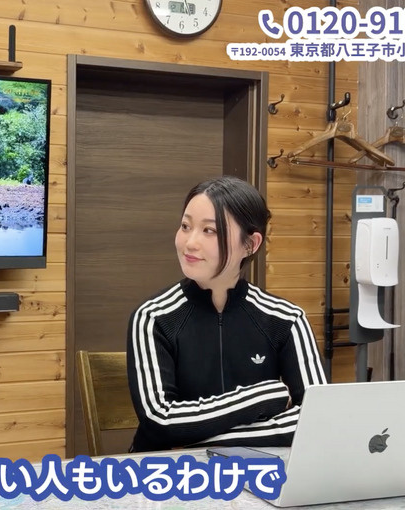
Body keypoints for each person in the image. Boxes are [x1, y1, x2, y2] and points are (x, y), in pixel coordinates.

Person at [127, 176, 326, 452]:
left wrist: (200, 441)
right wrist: (264, 396)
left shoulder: (286, 319)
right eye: (185, 226)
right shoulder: (154, 317)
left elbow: (317, 418)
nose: (190, 243)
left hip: (256, 470)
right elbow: (160, 422)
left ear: (250, 244)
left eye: (209, 231)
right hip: (169, 473)